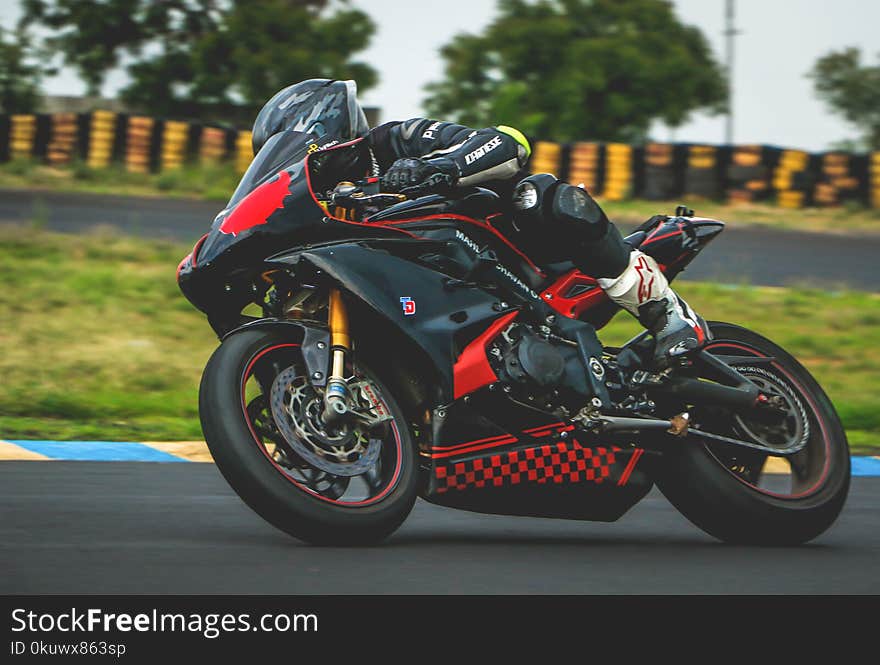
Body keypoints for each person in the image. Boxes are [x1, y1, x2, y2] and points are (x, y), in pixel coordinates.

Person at [252, 78, 709, 368]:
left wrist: (440, 167)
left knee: (544, 195)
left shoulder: (392, 140)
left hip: (505, 248)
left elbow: (505, 142)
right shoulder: (325, 207)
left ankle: (671, 322)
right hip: (427, 291)